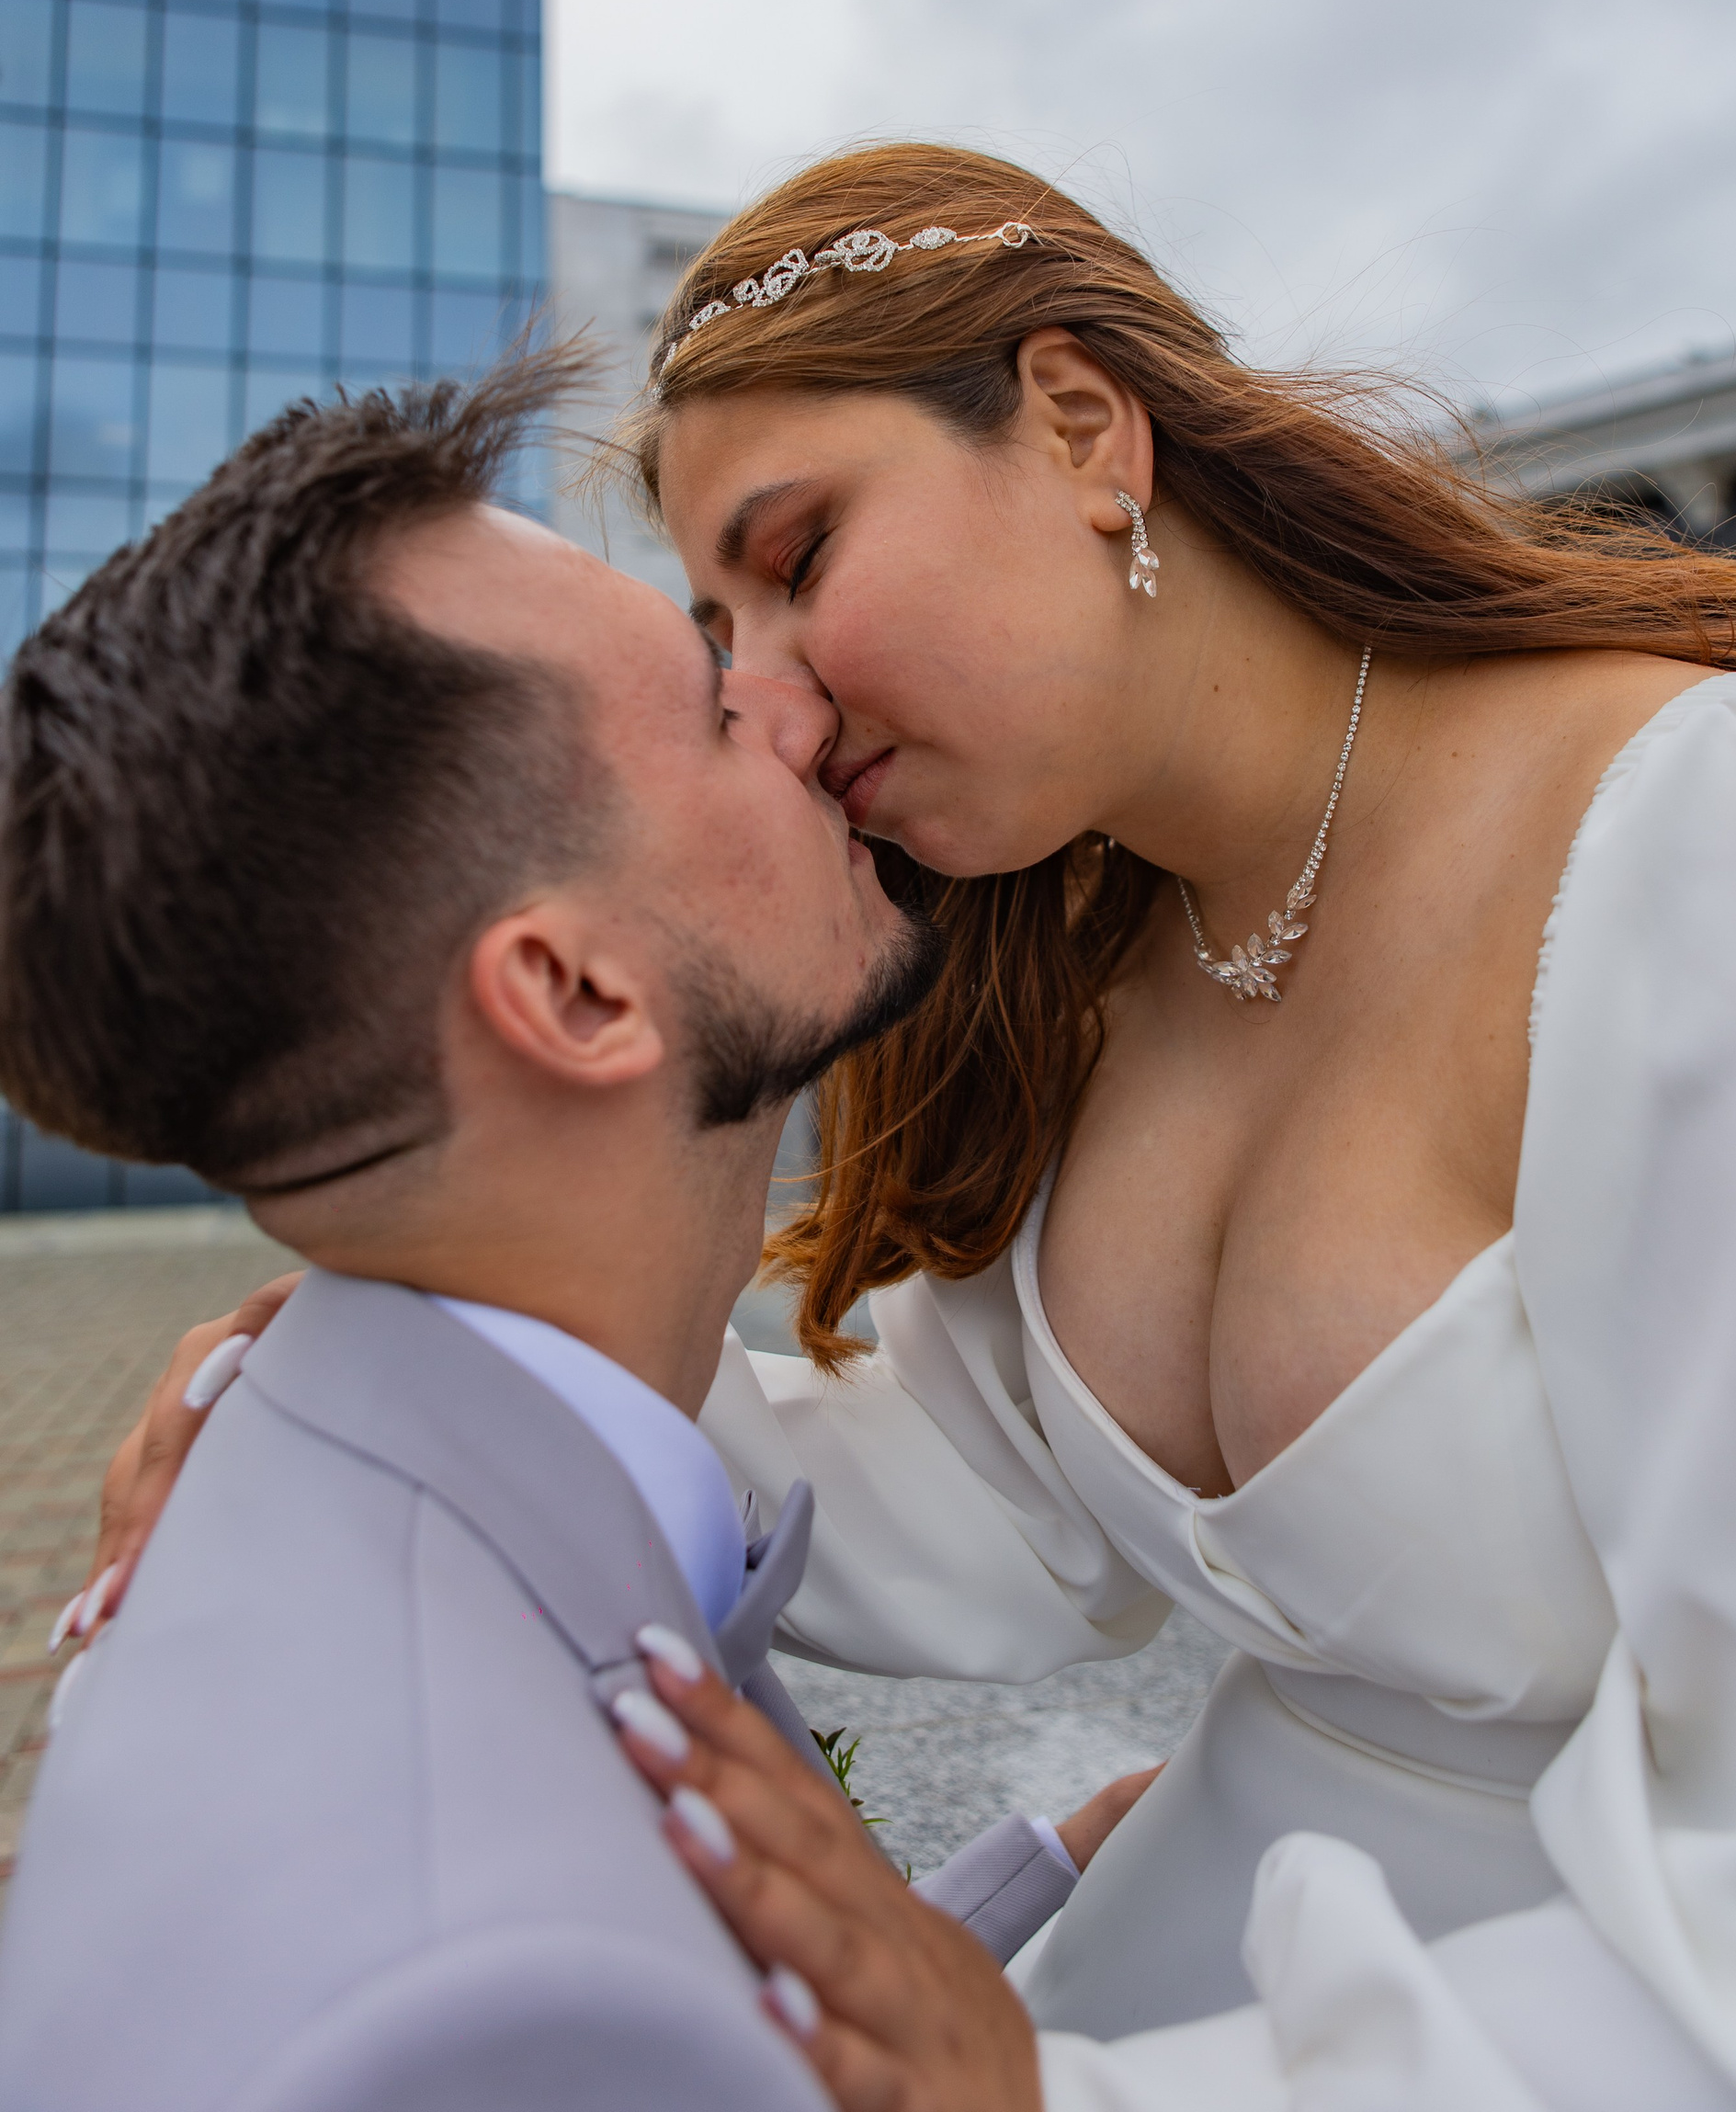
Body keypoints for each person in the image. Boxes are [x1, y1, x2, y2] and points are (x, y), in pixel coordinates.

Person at [80, 140, 1736, 2108]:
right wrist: (410, 1379)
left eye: (797, 564)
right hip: (1141, 1969)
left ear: (1080, 427)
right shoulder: (1068, 939)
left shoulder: (1695, 847)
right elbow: (996, 1505)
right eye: (718, 639)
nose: (778, 710)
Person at [0, 355, 1146, 2112]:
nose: (796, 714)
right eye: (710, 706)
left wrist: (1061, 1878)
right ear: (574, 994)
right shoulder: (486, 2003)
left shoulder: (335, 1441)